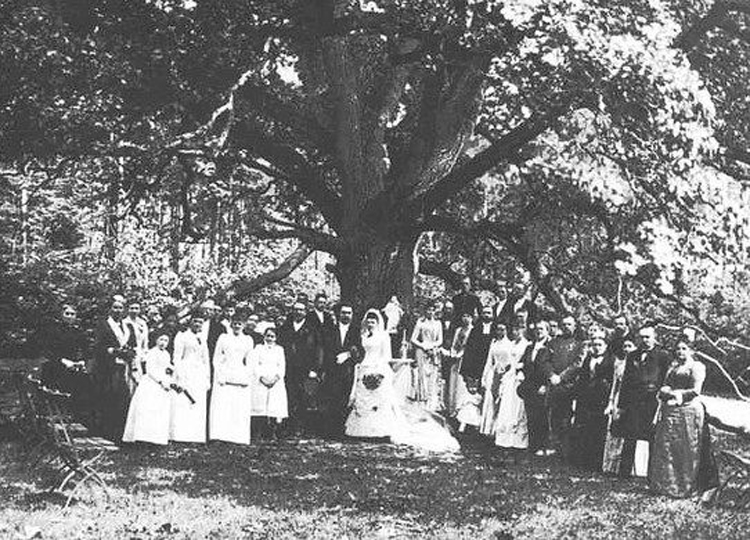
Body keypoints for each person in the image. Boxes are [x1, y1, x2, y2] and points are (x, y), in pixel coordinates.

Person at [346, 309, 459, 452]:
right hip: (364, 366)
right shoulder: (364, 335)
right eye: (368, 320)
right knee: (364, 400)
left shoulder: (384, 336)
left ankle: (380, 430)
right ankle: (362, 430)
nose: (370, 323)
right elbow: (363, 353)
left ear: (378, 322)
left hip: (378, 367)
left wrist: (378, 370)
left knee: (380, 400)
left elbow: (386, 356)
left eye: (373, 321)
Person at [648, 340, 718, 498]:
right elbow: (665, 384)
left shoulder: (697, 367)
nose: (680, 352)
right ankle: (666, 486)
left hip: (689, 411)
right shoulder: (673, 366)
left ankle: (685, 487)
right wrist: (665, 390)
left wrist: (675, 393)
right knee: (668, 447)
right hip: (671, 411)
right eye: (678, 349)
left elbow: (695, 390)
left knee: (686, 449)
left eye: (684, 349)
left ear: (691, 350)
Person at [614, 324, 671, 477]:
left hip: (652, 401)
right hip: (633, 401)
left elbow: (666, 379)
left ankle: (652, 475)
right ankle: (624, 473)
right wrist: (621, 406)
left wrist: (663, 399)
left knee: (652, 437)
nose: (644, 340)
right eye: (641, 337)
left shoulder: (663, 356)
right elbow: (626, 381)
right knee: (630, 436)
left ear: (654, 338)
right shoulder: (632, 355)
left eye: (648, 337)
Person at [91, 295, 134, 442]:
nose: (118, 310)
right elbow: (97, 347)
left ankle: (120, 433)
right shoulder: (103, 325)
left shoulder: (127, 327)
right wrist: (113, 351)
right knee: (108, 398)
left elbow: (132, 345)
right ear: (110, 309)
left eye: (120, 308)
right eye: (115, 307)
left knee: (122, 399)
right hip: (107, 368)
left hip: (123, 367)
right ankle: (106, 432)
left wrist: (129, 352)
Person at [569, 334, 614, 471]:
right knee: (585, 429)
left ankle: (596, 463)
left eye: (600, 345)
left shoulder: (610, 360)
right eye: (595, 345)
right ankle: (583, 461)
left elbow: (612, 381)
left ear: (605, 346)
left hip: (601, 398)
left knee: (598, 429)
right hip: (586, 398)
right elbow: (583, 377)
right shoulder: (589, 358)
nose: (597, 347)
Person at [278, 302, 324, 433]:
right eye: (296, 310)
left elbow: (319, 349)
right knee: (288, 396)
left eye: (301, 310)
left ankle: (300, 426)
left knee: (303, 397)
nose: (298, 312)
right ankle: (287, 426)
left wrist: (315, 369)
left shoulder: (313, 329)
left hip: (305, 369)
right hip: (288, 368)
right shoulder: (285, 328)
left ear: (305, 312)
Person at [122, 332, 174, 446]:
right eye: (161, 339)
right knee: (147, 409)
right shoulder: (152, 352)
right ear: (156, 340)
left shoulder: (166, 354)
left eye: (166, 341)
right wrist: (160, 382)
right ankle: (143, 437)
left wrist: (171, 371)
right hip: (151, 382)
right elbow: (150, 370)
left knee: (159, 410)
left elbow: (167, 366)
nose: (163, 343)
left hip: (163, 381)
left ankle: (156, 437)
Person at [209, 316, 254, 444]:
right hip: (225, 370)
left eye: (239, 323)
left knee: (238, 405)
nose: (237, 326)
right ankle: (220, 435)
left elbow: (250, 360)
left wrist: (247, 375)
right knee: (223, 404)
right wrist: (220, 373)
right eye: (234, 323)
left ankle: (238, 436)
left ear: (244, 325)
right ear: (230, 324)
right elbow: (216, 357)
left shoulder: (248, 340)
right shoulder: (223, 337)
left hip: (240, 371)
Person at [545, 315, 585, 458]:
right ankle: (555, 446)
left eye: (569, 324)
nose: (566, 326)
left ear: (575, 326)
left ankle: (567, 451)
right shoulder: (553, 343)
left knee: (567, 419)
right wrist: (551, 375)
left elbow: (578, 364)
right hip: (554, 386)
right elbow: (546, 360)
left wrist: (561, 377)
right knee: (554, 417)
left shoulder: (580, 344)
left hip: (571, 386)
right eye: (564, 324)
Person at [321, 303, 361, 437]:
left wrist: (349, 354)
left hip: (348, 370)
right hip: (332, 369)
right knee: (331, 398)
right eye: (344, 312)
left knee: (345, 399)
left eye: (349, 313)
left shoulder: (356, 331)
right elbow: (325, 348)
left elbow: (360, 350)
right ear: (339, 314)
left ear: (352, 315)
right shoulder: (330, 329)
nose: (346, 315)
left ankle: (341, 429)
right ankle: (329, 430)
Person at [170, 313, 211, 443]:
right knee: (184, 402)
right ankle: (181, 435)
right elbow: (177, 358)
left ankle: (195, 436)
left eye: (200, 322)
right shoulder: (182, 336)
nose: (198, 324)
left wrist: (207, 377)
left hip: (199, 373)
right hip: (186, 372)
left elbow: (206, 359)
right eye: (195, 321)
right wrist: (180, 376)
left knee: (198, 403)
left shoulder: (202, 338)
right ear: (190, 322)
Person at [517, 321, 554, 455]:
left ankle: (542, 446)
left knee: (542, 416)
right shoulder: (530, 346)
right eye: (537, 329)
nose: (539, 331)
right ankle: (533, 444)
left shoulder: (550, 346)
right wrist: (520, 371)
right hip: (529, 385)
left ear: (547, 331)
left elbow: (551, 367)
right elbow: (523, 363)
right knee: (531, 415)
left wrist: (546, 385)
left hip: (542, 385)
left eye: (542, 329)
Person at [602, 338, 637, 474]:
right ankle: (611, 466)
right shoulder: (619, 364)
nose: (627, 349)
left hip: (632, 400)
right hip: (618, 398)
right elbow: (615, 385)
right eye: (625, 346)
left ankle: (628, 467)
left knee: (629, 433)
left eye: (630, 346)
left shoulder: (638, 364)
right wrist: (611, 402)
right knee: (614, 431)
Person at [493, 323, 530, 449]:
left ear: (524, 330)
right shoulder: (511, 344)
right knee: (506, 408)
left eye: (519, 329)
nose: (516, 332)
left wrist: (520, 367)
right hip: (509, 377)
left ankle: (519, 441)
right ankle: (505, 440)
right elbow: (509, 362)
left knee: (518, 409)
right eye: (514, 329)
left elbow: (527, 362)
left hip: (520, 378)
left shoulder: (527, 345)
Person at [250, 327, 289, 440]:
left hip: (275, 381)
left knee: (274, 406)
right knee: (259, 406)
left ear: (276, 338)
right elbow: (255, 365)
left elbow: (282, 366)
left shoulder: (279, 349)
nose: (270, 338)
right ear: (264, 336)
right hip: (260, 380)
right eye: (268, 336)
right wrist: (262, 378)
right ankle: (258, 432)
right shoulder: (258, 348)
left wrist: (275, 379)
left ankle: (272, 432)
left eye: (272, 336)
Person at [410, 302, 444, 411]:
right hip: (422, 350)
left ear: (435, 311)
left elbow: (440, 340)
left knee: (433, 376)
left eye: (432, 310)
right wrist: (423, 345)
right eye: (428, 310)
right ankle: (422, 401)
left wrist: (432, 346)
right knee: (422, 375)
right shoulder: (420, 322)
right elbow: (413, 339)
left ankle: (432, 403)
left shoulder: (438, 323)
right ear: (425, 311)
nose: (430, 312)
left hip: (433, 350)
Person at [479, 323, 510, 436]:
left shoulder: (509, 344)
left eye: (503, 329)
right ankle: (488, 430)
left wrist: (504, 369)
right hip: (492, 374)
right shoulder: (494, 343)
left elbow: (511, 361)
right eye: (498, 329)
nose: (500, 332)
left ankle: (498, 431)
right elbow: (489, 361)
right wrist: (484, 376)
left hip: (505, 375)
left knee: (501, 401)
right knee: (490, 401)